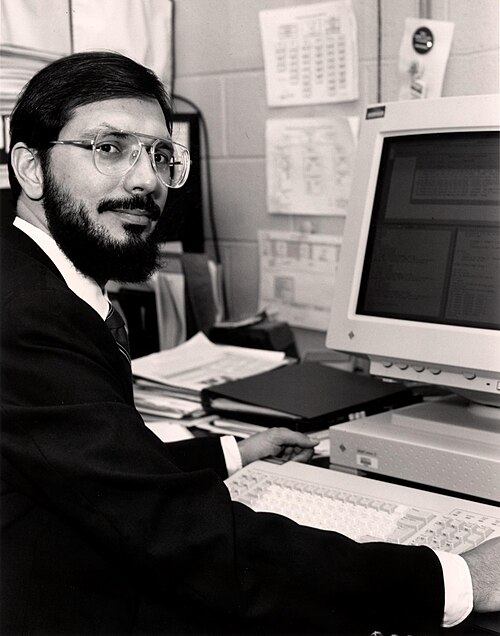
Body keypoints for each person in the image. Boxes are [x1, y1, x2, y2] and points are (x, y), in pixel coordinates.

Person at [1, 51, 498, 636]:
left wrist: (236, 453)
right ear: (31, 168)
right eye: (109, 148)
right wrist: (460, 579)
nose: (145, 180)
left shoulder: (29, 278)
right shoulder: (28, 317)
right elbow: (185, 538)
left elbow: (95, 466)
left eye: (159, 155)